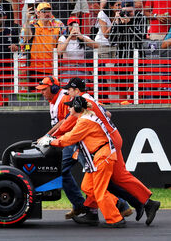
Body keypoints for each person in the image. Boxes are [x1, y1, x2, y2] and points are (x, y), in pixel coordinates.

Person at [54, 77, 160, 225]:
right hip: (110, 137)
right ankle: (94, 210)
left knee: (112, 178)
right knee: (96, 177)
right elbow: (107, 114)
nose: (67, 92)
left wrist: (50, 137)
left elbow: (67, 125)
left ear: (77, 91)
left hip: (106, 141)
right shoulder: (87, 99)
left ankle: (145, 203)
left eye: (70, 90)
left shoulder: (82, 102)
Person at [45, 95, 126, 227]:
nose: (69, 109)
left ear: (77, 108)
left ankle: (115, 219)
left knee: (99, 191)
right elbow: (70, 135)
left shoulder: (84, 122)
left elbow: (68, 139)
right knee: (87, 187)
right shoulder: (84, 118)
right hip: (99, 156)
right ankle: (117, 203)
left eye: (70, 106)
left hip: (103, 156)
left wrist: (50, 141)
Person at [36, 76, 87, 218]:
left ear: (53, 88)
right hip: (69, 140)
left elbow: (66, 122)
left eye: (44, 90)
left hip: (75, 140)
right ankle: (79, 205)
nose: (42, 93)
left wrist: (48, 136)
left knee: (94, 174)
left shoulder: (64, 98)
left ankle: (119, 204)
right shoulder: (53, 100)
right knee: (62, 171)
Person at [22, 2, 64, 85]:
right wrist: (27, 20)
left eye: (48, 11)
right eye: (43, 11)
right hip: (35, 68)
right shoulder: (33, 27)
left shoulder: (57, 29)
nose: (47, 14)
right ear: (38, 13)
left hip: (51, 69)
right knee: (36, 96)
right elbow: (26, 37)